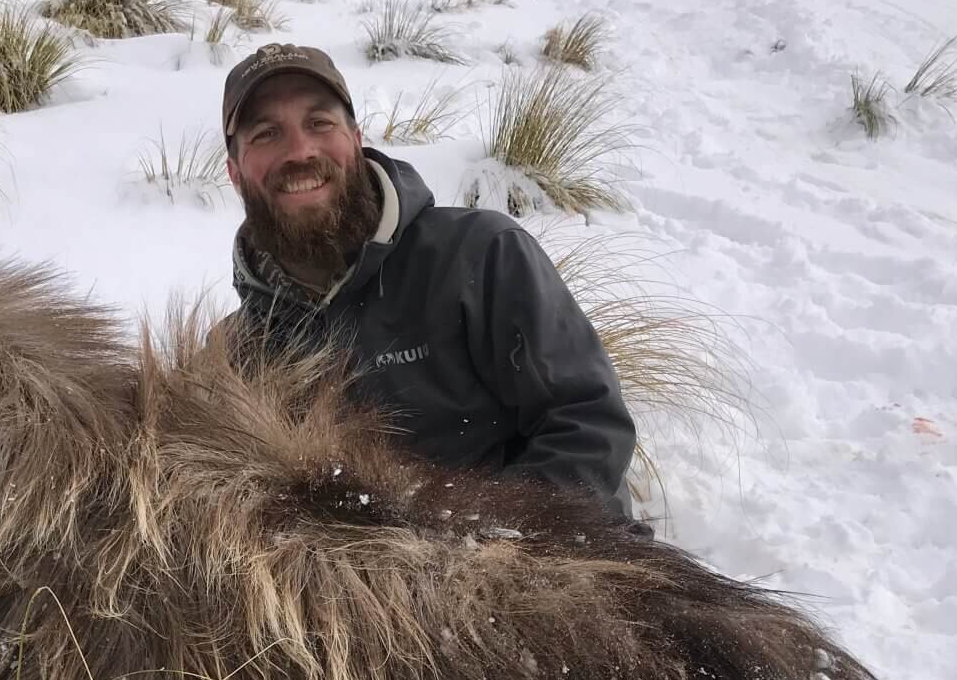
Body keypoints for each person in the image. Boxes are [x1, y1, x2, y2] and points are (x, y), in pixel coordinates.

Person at [218, 43, 645, 527]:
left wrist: (473, 557)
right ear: (234, 173)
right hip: (347, 596)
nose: (300, 151)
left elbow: (587, 426)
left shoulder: (480, 254)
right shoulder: (235, 356)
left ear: (356, 139)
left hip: (545, 566)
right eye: (267, 134)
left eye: (320, 123)